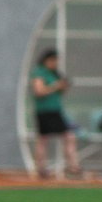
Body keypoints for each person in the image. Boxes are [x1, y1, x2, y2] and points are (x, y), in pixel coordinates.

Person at [28, 48, 80, 181]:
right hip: (45, 112)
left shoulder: (55, 73)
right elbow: (39, 91)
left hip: (56, 111)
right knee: (43, 140)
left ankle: (73, 167)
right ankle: (41, 169)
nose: (55, 63)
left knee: (69, 136)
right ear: (47, 60)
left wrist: (63, 87)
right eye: (54, 60)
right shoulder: (40, 72)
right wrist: (56, 86)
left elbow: (60, 93)